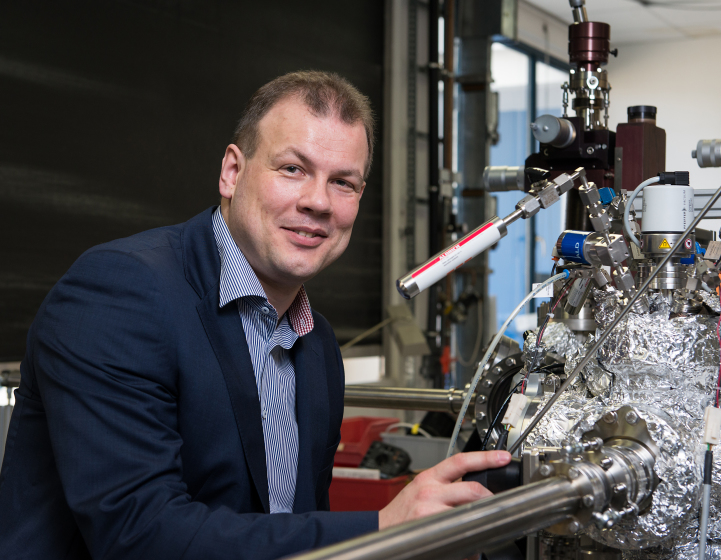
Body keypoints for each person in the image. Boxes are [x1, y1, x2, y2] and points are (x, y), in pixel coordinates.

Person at [0, 71, 510, 559]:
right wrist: (382, 528)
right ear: (232, 172)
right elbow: (139, 534)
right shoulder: (119, 291)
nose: (318, 202)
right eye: (293, 169)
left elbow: (292, 526)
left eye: (344, 183)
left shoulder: (317, 344)